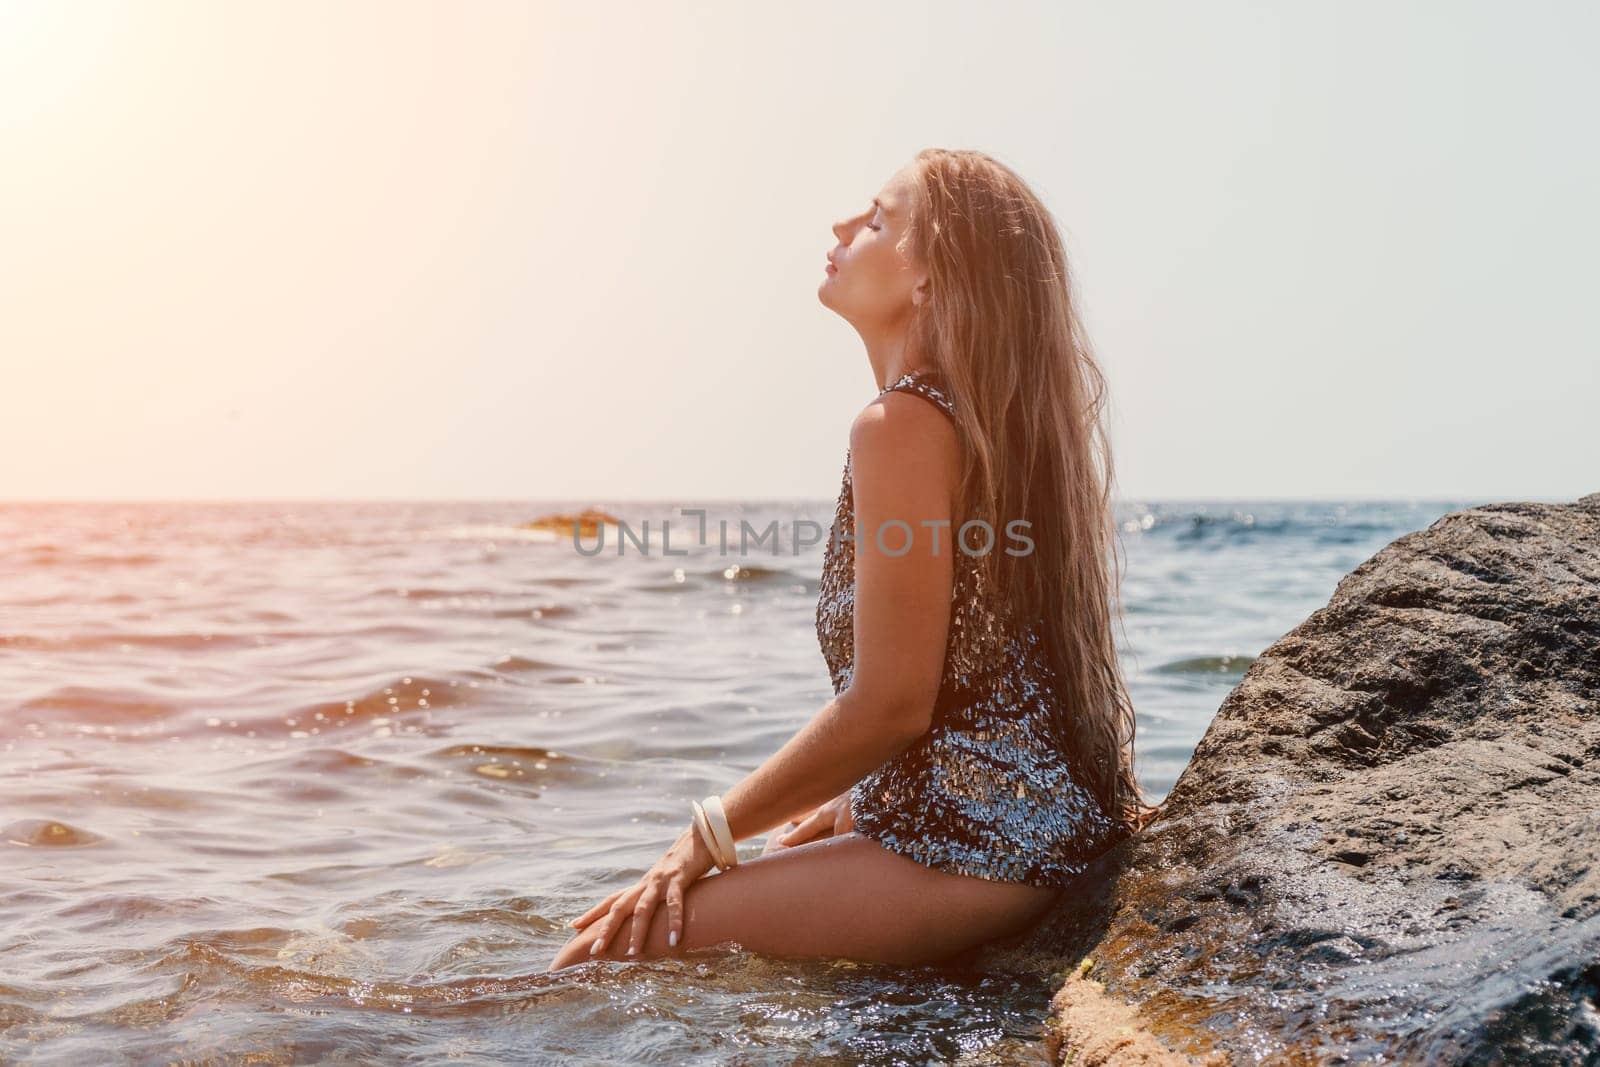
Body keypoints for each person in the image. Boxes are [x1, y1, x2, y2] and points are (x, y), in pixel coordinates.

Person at [547, 148, 1158, 973]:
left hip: (987, 849)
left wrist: (706, 833)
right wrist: (865, 798)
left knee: (613, 951)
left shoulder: (900, 424)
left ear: (930, 281)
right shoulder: (976, 426)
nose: (842, 226)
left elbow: (891, 705)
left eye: (877, 220)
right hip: (1034, 829)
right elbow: (985, 682)